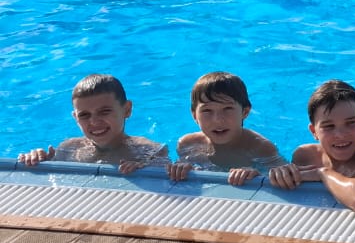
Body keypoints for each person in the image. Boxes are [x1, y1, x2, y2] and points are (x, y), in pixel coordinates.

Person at [268, 79, 355, 215]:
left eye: (351, 123)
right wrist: (280, 174)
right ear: (314, 132)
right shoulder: (305, 156)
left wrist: (322, 174)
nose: (341, 135)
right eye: (329, 126)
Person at [18, 73, 169, 175]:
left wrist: (145, 169)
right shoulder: (68, 149)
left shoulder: (151, 152)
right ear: (75, 118)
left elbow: (168, 182)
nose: (94, 122)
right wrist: (39, 160)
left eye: (104, 111)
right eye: (84, 115)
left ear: (127, 110)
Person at [171, 72, 284, 185]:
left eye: (227, 109)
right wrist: (182, 168)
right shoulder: (188, 145)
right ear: (194, 115)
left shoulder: (261, 148)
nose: (218, 120)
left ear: (245, 112)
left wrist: (257, 175)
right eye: (207, 110)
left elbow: (283, 177)